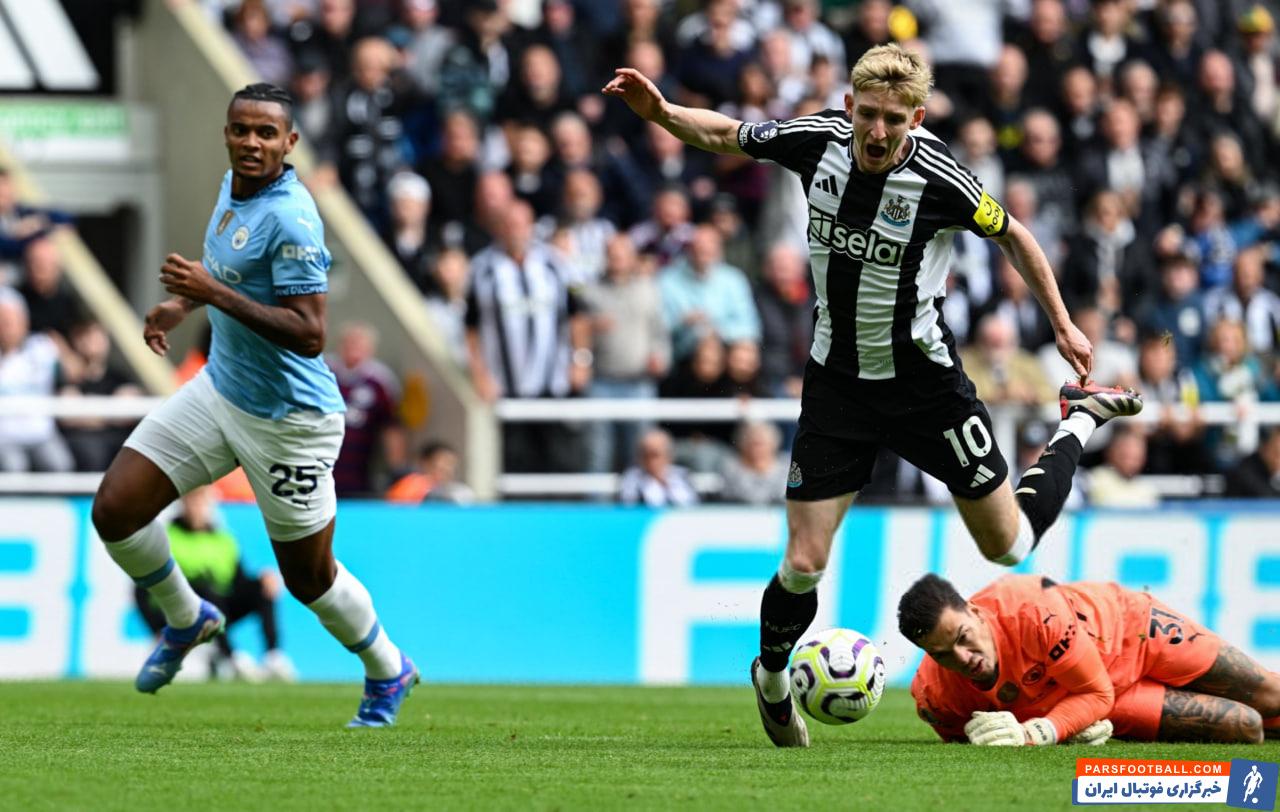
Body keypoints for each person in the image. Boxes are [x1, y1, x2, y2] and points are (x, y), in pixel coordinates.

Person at [604, 43, 1143, 749]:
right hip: (838, 386)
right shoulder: (817, 141)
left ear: (916, 118)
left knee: (1010, 546)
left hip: (926, 387)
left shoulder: (942, 179)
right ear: (849, 106)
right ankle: (772, 678)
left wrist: (1064, 324)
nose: (877, 131)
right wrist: (662, 112)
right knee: (804, 562)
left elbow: (1016, 238)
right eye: (867, 114)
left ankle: (1077, 421)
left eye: (894, 118)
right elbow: (728, 134)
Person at [90, 84, 417, 727]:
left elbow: (309, 332)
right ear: (227, 133)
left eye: (267, 133)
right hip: (222, 389)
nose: (251, 142)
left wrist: (210, 292)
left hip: (290, 421)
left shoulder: (292, 218)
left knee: (309, 580)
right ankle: (187, 617)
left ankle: (388, 667)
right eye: (241, 129)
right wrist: (184, 302)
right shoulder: (233, 187)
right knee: (116, 510)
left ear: (289, 143)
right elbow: (230, 268)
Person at [900, 573, 1280, 745]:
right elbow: (1100, 699)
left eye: (963, 638)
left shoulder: (1033, 611)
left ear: (975, 612)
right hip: (1102, 701)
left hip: (1135, 633)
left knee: (1271, 697)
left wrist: (1040, 732)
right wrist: (1066, 726)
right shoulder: (936, 698)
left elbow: (1095, 693)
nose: (963, 658)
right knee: (1245, 726)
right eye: (942, 654)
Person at [134, 486, 295, 682]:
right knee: (204, 589)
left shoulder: (224, 540)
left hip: (219, 612)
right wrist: (155, 628)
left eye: (202, 501)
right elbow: (141, 589)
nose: (197, 507)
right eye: (192, 501)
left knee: (262, 587)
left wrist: (262, 580)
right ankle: (231, 657)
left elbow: (238, 582)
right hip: (176, 615)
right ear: (183, 503)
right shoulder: (165, 538)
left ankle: (273, 655)